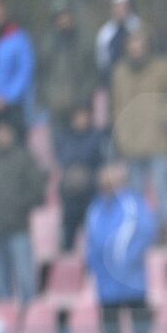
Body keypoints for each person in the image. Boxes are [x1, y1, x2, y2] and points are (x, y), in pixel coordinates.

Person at [85, 160, 156, 333]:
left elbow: (146, 230)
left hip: (131, 278)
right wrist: (95, 265)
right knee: (110, 326)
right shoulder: (96, 208)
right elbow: (91, 240)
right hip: (106, 281)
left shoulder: (132, 203)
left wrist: (127, 260)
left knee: (139, 321)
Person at [110, 27, 167, 227]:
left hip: (157, 141)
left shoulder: (162, 67)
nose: (136, 47)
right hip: (131, 143)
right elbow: (116, 106)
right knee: (136, 195)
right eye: (132, 42)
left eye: (139, 42)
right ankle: (140, 232)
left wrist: (161, 114)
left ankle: (164, 230)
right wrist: (120, 135)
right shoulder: (120, 72)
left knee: (162, 191)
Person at [0, 119, 45, 303]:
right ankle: (5, 316)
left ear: (12, 135)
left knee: (25, 276)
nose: (1, 137)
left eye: (4, 133)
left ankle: (31, 315)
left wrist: (17, 205)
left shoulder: (24, 158)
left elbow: (38, 192)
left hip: (19, 226)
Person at [39, 0, 97, 145]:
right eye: (60, 16)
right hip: (56, 109)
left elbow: (93, 74)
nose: (64, 20)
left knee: (84, 148)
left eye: (66, 15)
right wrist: (48, 99)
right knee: (59, 148)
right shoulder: (46, 44)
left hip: (81, 107)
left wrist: (82, 102)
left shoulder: (85, 41)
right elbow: (41, 76)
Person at [0, 0, 36, 148]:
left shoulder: (18, 38)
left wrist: (7, 98)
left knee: (15, 148)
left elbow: (25, 72)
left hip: (12, 107)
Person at [56, 104, 107, 251]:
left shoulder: (97, 136)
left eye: (84, 116)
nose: (81, 120)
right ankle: (66, 253)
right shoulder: (65, 137)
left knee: (93, 229)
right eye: (77, 117)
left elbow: (101, 161)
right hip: (71, 192)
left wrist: (86, 174)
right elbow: (64, 158)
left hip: (91, 189)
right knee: (68, 228)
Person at [95, 0, 141, 87]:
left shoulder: (139, 28)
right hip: (114, 84)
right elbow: (102, 62)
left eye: (123, 6)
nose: (120, 10)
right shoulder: (105, 33)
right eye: (117, 6)